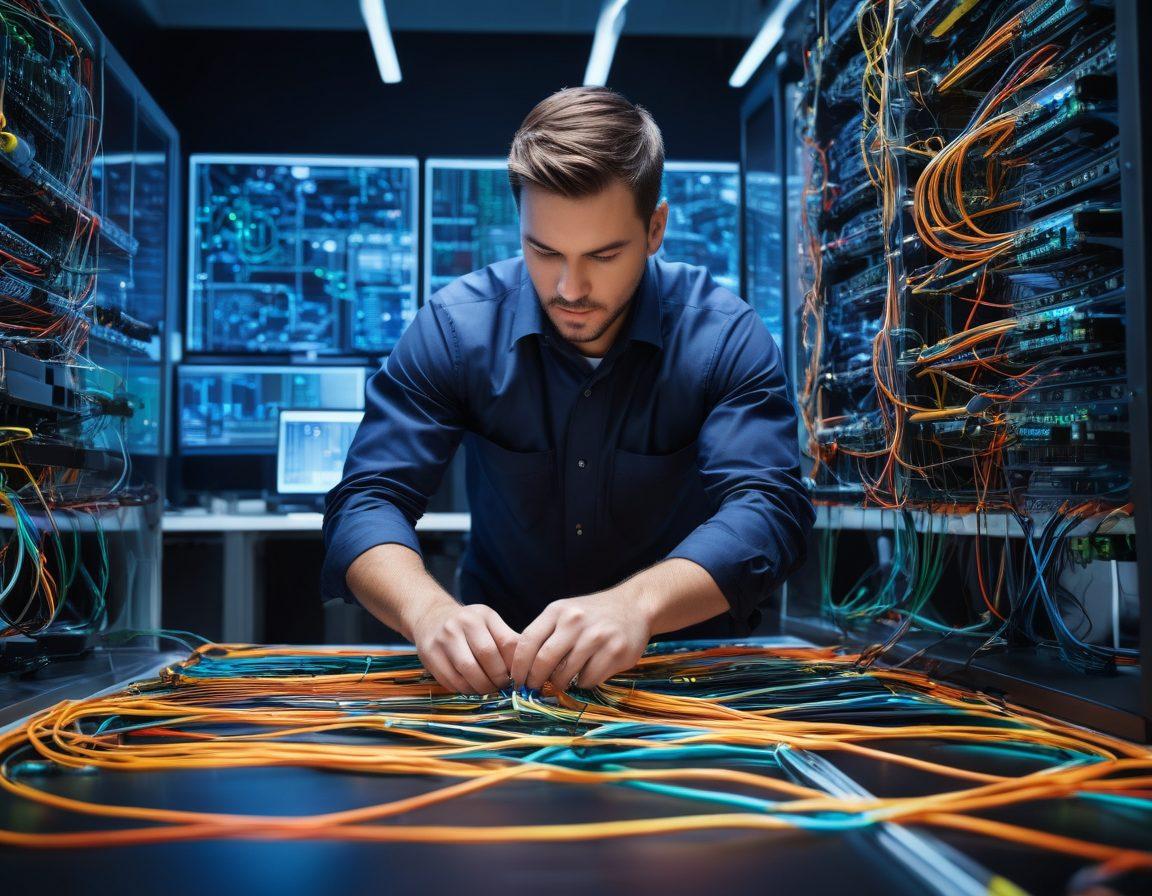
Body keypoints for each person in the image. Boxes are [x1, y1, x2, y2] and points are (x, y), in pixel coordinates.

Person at [322, 86, 814, 696]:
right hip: (497, 676)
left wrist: (637, 606)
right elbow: (367, 499)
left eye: (604, 255)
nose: (570, 288)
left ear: (655, 227)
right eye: (543, 250)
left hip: (681, 674)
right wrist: (428, 613)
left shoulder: (722, 335)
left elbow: (769, 508)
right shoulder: (456, 328)